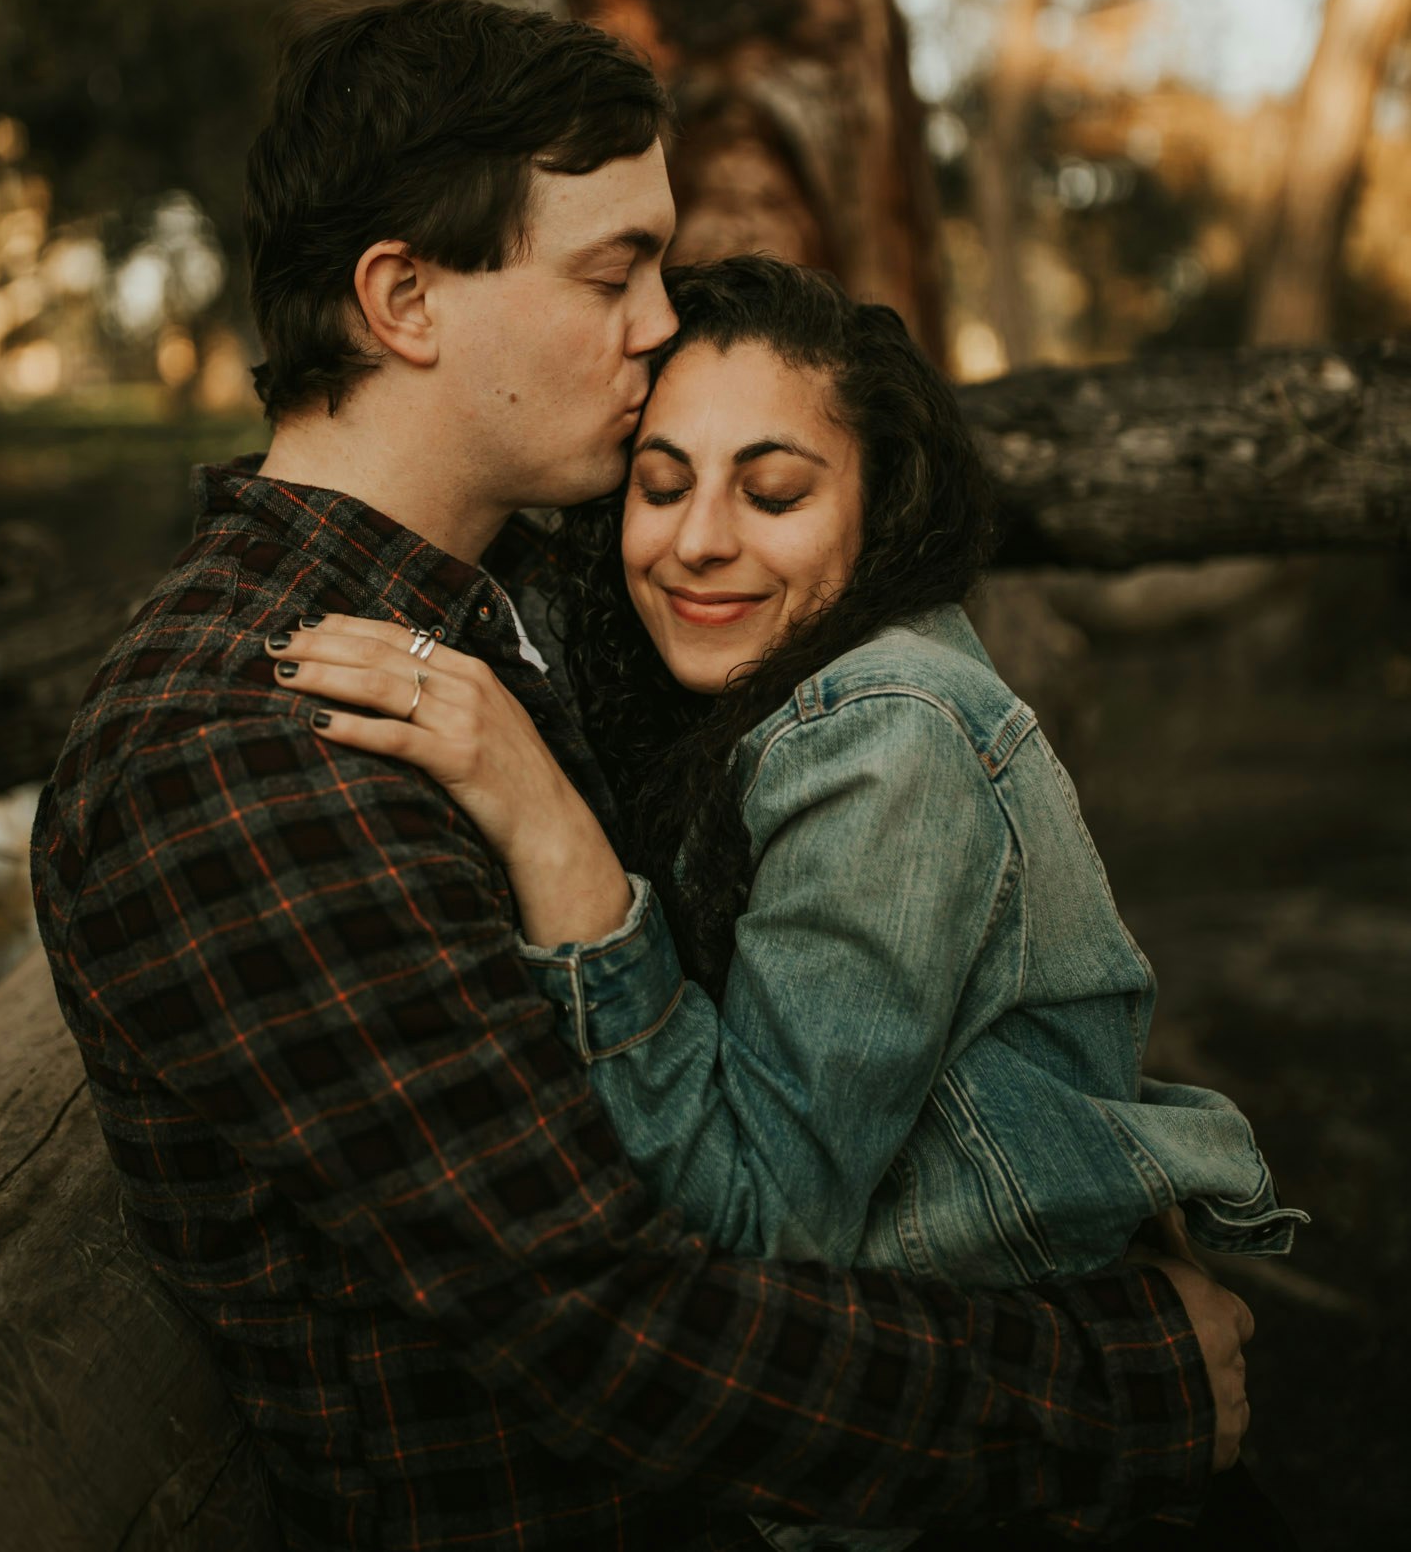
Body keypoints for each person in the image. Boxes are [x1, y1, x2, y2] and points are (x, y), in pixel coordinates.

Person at [32, 0, 1251, 1552]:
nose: (663, 322)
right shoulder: (249, 741)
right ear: (403, 298)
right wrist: (1125, 1382)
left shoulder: (504, 618)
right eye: (613, 270)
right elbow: (607, 1329)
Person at [273, 250, 1305, 1549]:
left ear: (878, 509)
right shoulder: (766, 701)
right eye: (662, 484)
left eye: (773, 489)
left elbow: (760, 1221)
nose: (701, 538)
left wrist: (543, 821)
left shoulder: (887, 736)